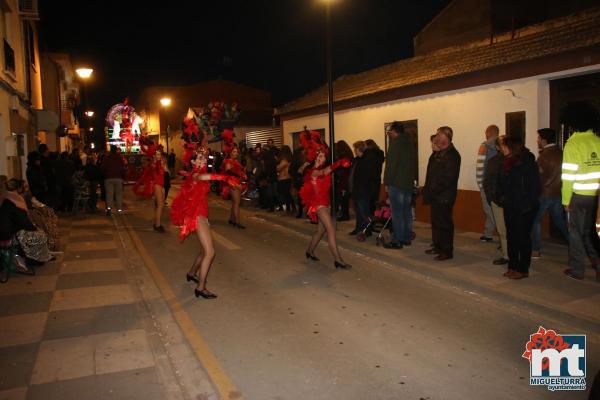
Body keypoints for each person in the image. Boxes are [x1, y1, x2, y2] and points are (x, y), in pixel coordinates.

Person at [171, 146, 240, 299]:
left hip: (201, 215)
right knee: (210, 252)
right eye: (199, 158)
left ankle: (191, 273)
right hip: (198, 216)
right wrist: (225, 178)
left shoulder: (198, 173)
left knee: (204, 250)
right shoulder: (196, 174)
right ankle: (200, 288)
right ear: (193, 161)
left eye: (204, 158)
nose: (202, 160)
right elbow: (207, 177)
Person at [299, 130, 351, 269]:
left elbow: (327, 172)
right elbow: (324, 172)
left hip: (326, 204)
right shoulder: (314, 171)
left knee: (320, 231)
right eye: (319, 156)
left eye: (323, 156)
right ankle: (338, 260)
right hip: (318, 205)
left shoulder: (323, 168)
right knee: (331, 230)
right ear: (315, 158)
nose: (322, 158)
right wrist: (339, 162)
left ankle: (309, 251)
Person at [561, 102, 600, 281]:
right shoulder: (597, 141)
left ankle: (577, 270)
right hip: (596, 198)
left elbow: (569, 175)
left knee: (576, 233)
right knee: (591, 234)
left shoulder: (573, 143)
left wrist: (566, 201)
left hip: (579, 196)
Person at [497, 136, 541, 279]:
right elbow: (502, 183)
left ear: (512, 147)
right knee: (511, 237)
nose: (502, 148)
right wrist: (501, 197)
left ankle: (523, 269)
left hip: (524, 207)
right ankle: (512, 266)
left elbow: (534, 188)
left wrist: (526, 205)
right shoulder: (507, 162)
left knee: (522, 238)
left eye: (504, 146)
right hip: (510, 205)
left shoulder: (528, 163)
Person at [423, 126, 461, 261]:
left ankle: (446, 251)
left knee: (444, 224)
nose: (436, 138)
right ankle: (438, 246)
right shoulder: (440, 153)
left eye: (439, 135)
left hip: (444, 196)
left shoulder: (452, 155)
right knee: (436, 223)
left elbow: (448, 178)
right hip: (436, 195)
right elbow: (432, 171)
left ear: (446, 137)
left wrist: (433, 189)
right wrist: (434, 152)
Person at [531, 128, 569, 259]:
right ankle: (574, 244)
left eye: (538, 138)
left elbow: (538, 177)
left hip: (544, 194)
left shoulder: (544, 156)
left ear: (544, 140)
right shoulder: (562, 153)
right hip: (559, 193)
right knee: (560, 221)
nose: (537, 140)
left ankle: (535, 249)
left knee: (535, 221)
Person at [383, 121, 417, 249]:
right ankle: (406, 237)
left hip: (396, 183)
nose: (390, 135)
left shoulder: (395, 144)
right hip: (407, 184)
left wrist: (387, 182)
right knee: (406, 212)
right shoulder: (409, 143)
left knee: (397, 213)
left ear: (394, 131)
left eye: (390, 132)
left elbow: (391, 166)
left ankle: (397, 240)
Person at [6, 178, 60, 252]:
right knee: (43, 226)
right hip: (24, 221)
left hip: (25, 219)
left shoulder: (21, 197)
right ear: (19, 189)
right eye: (25, 187)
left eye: (27, 186)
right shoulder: (20, 198)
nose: (26, 188)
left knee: (44, 223)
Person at [483, 136, 508, 265]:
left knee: (513, 229)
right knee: (502, 230)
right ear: (497, 147)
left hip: (513, 201)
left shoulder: (518, 159)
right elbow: (488, 181)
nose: (504, 147)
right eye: (502, 144)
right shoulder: (494, 161)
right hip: (498, 200)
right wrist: (491, 197)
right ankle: (506, 254)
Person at [134, 138, 166, 232]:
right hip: (157, 185)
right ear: (154, 155)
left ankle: (157, 223)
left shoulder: (158, 163)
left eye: (160, 154)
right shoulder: (154, 164)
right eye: (157, 154)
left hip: (160, 185)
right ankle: (157, 225)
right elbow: (155, 173)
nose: (159, 155)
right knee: (160, 205)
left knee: (160, 205)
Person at [476, 125, 499, 242]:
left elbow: (480, 166)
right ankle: (488, 233)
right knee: (494, 209)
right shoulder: (502, 145)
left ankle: (503, 234)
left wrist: (480, 184)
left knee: (489, 210)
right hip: (498, 184)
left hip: (487, 183)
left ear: (488, 133)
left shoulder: (485, 146)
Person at [349, 141, 371, 236]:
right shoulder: (357, 160)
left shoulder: (366, 160)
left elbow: (365, 177)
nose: (354, 151)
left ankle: (367, 230)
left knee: (364, 212)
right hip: (355, 189)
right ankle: (358, 228)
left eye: (355, 149)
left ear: (359, 149)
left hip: (362, 191)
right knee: (358, 212)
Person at [223, 146, 248, 228]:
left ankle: (232, 219)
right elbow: (228, 171)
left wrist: (242, 173)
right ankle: (237, 222)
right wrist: (237, 175)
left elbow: (238, 171)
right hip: (233, 183)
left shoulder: (235, 161)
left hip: (236, 181)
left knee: (235, 202)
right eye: (234, 152)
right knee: (237, 202)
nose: (236, 153)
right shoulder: (228, 161)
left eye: (237, 152)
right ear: (230, 153)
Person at [101, 145, 125, 215]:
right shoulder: (119, 158)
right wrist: (123, 176)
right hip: (118, 178)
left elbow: (102, 168)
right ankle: (119, 209)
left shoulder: (106, 157)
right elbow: (122, 168)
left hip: (108, 178)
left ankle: (109, 209)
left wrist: (104, 174)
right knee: (118, 194)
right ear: (116, 150)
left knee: (109, 194)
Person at [334, 140, 353, 221]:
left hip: (343, 180)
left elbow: (342, 170)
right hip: (347, 180)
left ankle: (345, 215)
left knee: (343, 198)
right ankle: (344, 214)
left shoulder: (343, 157)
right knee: (344, 199)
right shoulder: (349, 155)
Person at [364, 139, 385, 214]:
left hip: (368, 180)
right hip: (377, 179)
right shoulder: (379, 153)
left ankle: (369, 220)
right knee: (373, 200)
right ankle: (372, 217)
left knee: (368, 201)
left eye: (365, 145)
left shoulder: (368, 154)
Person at [289, 147, 307, 219]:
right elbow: (291, 171)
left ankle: (303, 212)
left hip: (304, 181)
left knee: (303, 197)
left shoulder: (306, 160)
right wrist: (298, 173)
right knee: (299, 197)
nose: (304, 153)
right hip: (299, 181)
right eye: (303, 152)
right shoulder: (296, 162)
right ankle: (300, 212)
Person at [277, 145, 293, 214]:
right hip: (288, 178)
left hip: (283, 179)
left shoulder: (284, 160)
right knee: (288, 194)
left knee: (285, 195)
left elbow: (278, 169)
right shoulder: (290, 159)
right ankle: (291, 208)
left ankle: (288, 209)